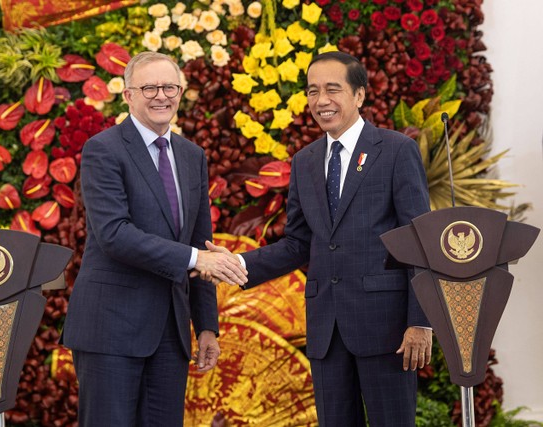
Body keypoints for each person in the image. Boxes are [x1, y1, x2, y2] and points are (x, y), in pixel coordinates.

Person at [203, 51, 432, 426]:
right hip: (326, 329)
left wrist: (421, 322)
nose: (321, 101)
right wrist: (238, 264)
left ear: (359, 95)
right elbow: (297, 244)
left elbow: (418, 239)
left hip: (387, 328)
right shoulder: (305, 161)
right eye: (312, 91)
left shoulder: (395, 151)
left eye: (332, 89)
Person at [62, 51, 247, 426]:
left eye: (170, 87)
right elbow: (114, 234)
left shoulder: (192, 156)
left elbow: (202, 242)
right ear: (128, 95)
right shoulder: (103, 149)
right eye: (149, 87)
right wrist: (196, 259)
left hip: (171, 334)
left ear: (181, 92)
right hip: (111, 330)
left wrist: (207, 326)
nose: (161, 96)